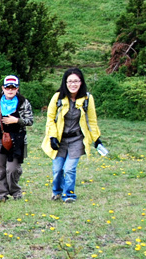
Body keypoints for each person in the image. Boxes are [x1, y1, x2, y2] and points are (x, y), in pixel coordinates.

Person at [41, 67, 103, 203]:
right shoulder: (58, 97)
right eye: (69, 81)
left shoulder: (87, 98)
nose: (73, 84)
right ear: (65, 83)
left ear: (81, 82)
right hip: (59, 139)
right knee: (57, 169)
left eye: (76, 81)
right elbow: (50, 118)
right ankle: (57, 191)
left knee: (69, 169)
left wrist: (97, 139)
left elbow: (92, 120)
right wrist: (52, 137)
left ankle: (69, 194)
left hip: (77, 139)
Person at [0, 75, 33, 202]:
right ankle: (0, 195)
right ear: (3, 88)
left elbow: (30, 121)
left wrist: (16, 120)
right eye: (8, 87)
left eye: (13, 87)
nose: (10, 90)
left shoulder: (24, 103)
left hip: (17, 140)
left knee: (12, 169)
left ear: (17, 88)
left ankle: (16, 192)